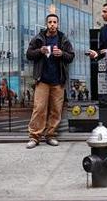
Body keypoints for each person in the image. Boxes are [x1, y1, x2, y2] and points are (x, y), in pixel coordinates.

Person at [25, 13, 75, 148]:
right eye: (50, 22)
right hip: (42, 80)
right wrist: (39, 51)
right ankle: (34, 137)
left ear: (58, 24)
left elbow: (71, 56)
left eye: (54, 22)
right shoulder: (39, 38)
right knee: (39, 109)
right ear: (46, 24)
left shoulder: (63, 38)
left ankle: (51, 135)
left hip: (58, 81)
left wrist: (62, 54)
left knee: (56, 110)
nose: (52, 24)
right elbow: (29, 54)